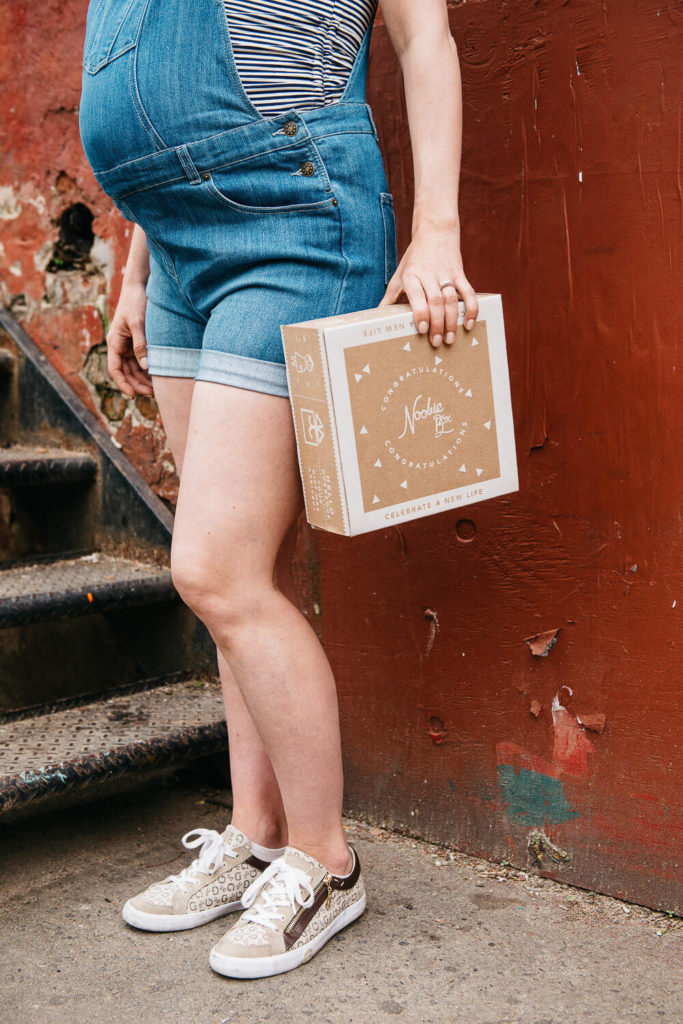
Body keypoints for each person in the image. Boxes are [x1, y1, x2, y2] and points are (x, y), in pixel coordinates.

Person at [78, 0, 478, 979]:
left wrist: (436, 235)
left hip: (290, 219)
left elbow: (422, 36)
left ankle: (325, 860)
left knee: (214, 571)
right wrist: (136, 265)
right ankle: (255, 832)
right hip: (173, 242)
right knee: (246, 570)